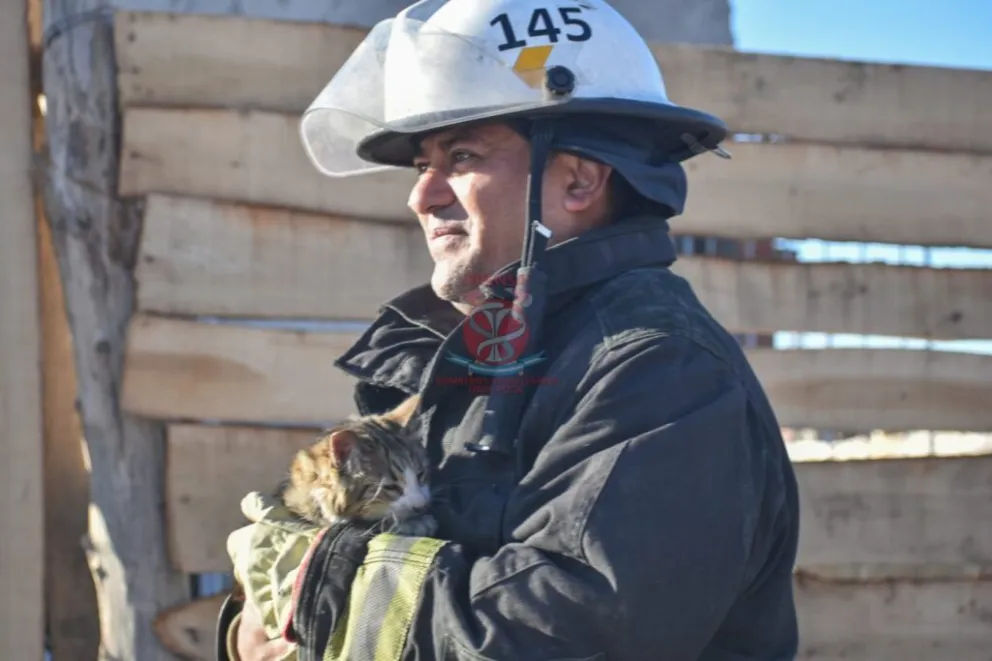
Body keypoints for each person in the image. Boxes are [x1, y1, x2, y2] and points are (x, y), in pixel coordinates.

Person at [218, 0, 801, 659]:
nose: (422, 195)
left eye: (461, 155)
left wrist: (319, 597)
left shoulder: (659, 373)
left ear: (579, 180)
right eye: (420, 165)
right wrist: (256, 624)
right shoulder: (480, 361)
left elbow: (566, 631)